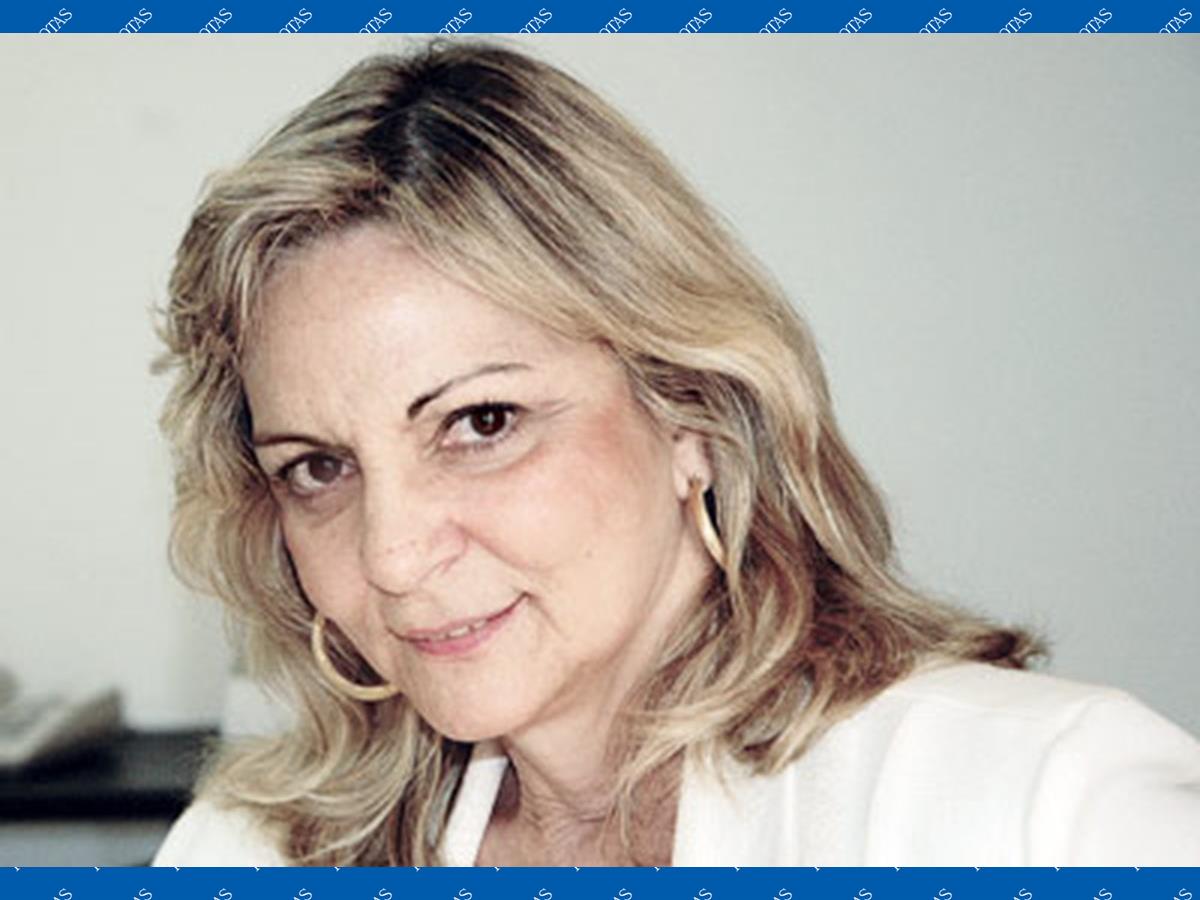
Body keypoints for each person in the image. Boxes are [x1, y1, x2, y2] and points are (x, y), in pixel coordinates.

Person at [150, 40, 1200, 867]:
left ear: (692, 415)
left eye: (482, 423)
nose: (391, 554)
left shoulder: (1048, 806)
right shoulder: (248, 849)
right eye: (319, 468)